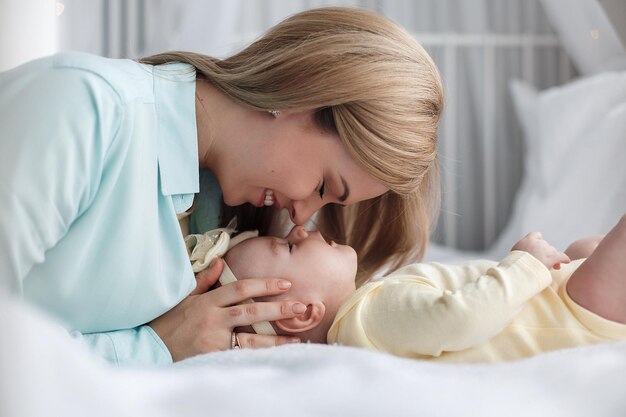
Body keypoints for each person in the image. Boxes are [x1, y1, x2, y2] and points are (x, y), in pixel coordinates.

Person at [0, 7, 443, 365]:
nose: (302, 216)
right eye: (324, 185)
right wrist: (155, 349)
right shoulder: (84, 107)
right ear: (296, 94)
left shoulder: (232, 222)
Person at [206, 215, 626, 362]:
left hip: (564, 303)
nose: (300, 229)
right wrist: (525, 262)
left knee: (584, 248)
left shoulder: (363, 325)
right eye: (290, 246)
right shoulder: (371, 314)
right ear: (304, 314)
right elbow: (462, 318)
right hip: (573, 314)